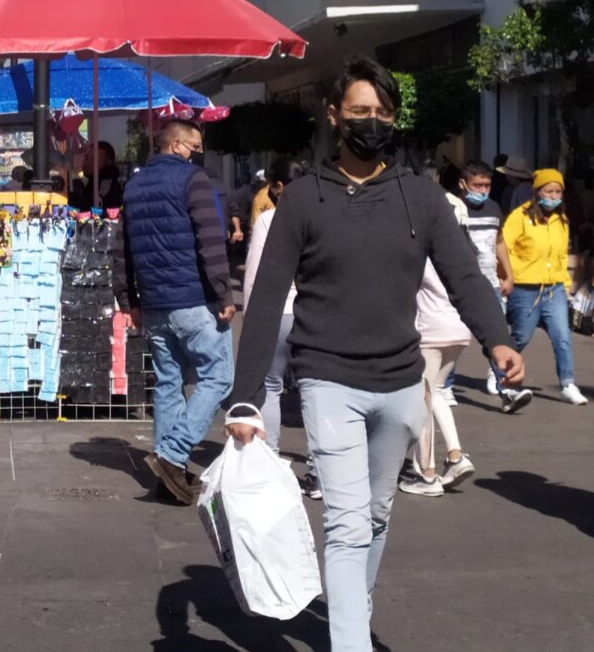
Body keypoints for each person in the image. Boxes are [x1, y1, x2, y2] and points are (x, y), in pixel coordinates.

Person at [224, 56, 523, 651]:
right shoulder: (304, 198)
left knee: (377, 514)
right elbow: (265, 304)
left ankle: (351, 608)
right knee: (346, 521)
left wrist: (498, 339)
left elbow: (464, 273)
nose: (372, 122)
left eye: (383, 113)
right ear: (334, 117)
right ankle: (351, 642)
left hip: (402, 386)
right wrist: (245, 399)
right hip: (326, 380)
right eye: (360, 111)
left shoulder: (421, 197)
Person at [113, 119, 235, 505]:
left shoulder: (133, 186)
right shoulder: (192, 180)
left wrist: (127, 299)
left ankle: (171, 476)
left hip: (154, 303)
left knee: (169, 382)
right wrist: (224, 292)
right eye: (195, 146)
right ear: (178, 145)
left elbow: (123, 249)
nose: (197, 153)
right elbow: (210, 239)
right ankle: (172, 454)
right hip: (193, 298)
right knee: (219, 376)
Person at [241, 157, 321, 498]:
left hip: (277, 314)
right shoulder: (323, 218)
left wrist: (251, 319)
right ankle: (319, 472)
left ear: (278, 187)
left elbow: (255, 274)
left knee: (271, 387)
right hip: (315, 314)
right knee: (315, 391)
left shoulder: (269, 221)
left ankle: (271, 460)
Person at [399, 194, 477, 497]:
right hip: (458, 331)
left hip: (430, 332)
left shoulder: (428, 251)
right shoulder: (464, 251)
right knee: (437, 393)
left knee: (423, 402)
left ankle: (428, 475)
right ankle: (455, 456)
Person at [503, 168, 588, 405]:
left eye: (558, 191)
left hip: (554, 288)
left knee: (562, 336)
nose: (553, 196)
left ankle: (568, 383)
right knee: (520, 337)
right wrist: (507, 276)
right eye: (549, 191)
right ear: (537, 191)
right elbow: (503, 248)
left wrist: (567, 285)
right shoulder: (519, 217)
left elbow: (561, 256)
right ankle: (500, 371)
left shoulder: (562, 220)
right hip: (525, 288)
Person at [455, 160, 531, 411]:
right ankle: (443, 385)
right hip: (457, 286)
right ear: (463, 184)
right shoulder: (453, 210)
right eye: (478, 185)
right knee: (451, 339)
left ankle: (504, 386)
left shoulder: (494, 208)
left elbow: (499, 242)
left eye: (487, 185)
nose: (483, 190)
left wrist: (507, 274)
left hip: (489, 284)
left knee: (497, 335)